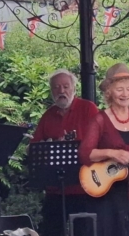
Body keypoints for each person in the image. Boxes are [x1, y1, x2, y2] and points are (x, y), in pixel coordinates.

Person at [80, 63, 129, 236]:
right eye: (119, 89)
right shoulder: (100, 119)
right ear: (109, 92)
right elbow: (85, 153)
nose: (125, 94)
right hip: (106, 192)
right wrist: (111, 153)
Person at [30, 69, 101, 236]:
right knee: (52, 229)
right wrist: (51, 146)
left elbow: (101, 140)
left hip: (84, 187)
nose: (61, 91)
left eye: (65, 86)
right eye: (56, 87)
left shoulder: (88, 109)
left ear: (73, 88)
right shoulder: (48, 115)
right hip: (55, 189)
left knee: (84, 231)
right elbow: (33, 148)